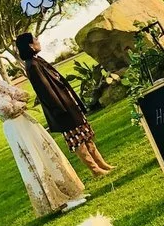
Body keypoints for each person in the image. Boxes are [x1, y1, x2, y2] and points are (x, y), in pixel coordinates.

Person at [0, 60, 88, 217]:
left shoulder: (1, 85)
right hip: (16, 129)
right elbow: (8, 109)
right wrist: (15, 100)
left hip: (27, 122)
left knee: (47, 154)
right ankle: (59, 201)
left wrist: (14, 99)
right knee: (36, 160)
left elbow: (24, 95)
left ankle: (70, 193)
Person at [15, 33, 114, 176]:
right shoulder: (32, 65)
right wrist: (59, 109)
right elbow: (45, 91)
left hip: (68, 103)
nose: (38, 41)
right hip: (62, 108)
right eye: (35, 39)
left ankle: (101, 163)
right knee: (77, 140)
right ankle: (95, 170)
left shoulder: (37, 60)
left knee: (86, 134)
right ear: (30, 45)